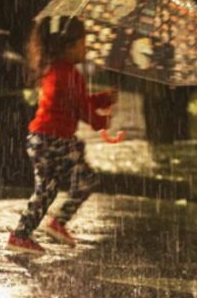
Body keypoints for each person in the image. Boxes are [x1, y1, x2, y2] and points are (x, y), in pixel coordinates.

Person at [7, 16, 116, 254]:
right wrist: (104, 120)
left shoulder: (56, 70)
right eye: (82, 43)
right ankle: (56, 222)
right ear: (68, 47)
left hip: (40, 137)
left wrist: (104, 98)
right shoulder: (70, 75)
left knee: (46, 189)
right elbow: (84, 110)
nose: (86, 48)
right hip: (54, 139)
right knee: (86, 179)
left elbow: (78, 103)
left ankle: (21, 234)